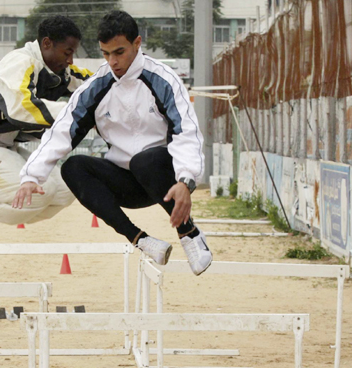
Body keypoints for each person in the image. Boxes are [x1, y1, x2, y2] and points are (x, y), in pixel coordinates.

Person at [13, 10, 213, 275]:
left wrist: (186, 180)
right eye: (106, 54)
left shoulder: (163, 79)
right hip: (127, 184)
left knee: (144, 160)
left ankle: (190, 234)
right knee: (73, 167)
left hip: (165, 179)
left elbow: (186, 131)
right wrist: (31, 176)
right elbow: (62, 131)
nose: (113, 61)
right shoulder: (96, 87)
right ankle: (141, 240)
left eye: (119, 52)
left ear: (137, 43)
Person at [0, 15, 92, 253]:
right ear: (46, 44)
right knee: (40, 193)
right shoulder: (18, 62)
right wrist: (77, 114)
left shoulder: (60, 72)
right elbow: (20, 109)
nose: (70, 60)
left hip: (5, 150)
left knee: (67, 189)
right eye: (67, 52)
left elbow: (94, 85)